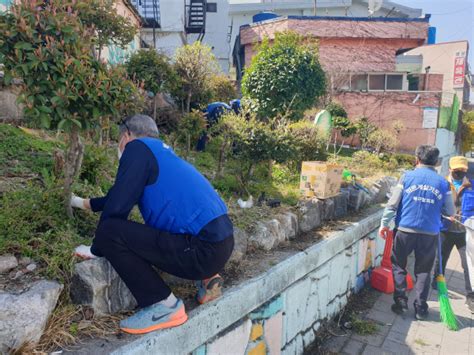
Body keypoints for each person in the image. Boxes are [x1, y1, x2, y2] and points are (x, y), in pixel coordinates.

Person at [71, 114, 234, 334]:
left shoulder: (136, 149)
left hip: (200, 251)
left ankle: (164, 306)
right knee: (163, 225)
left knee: (110, 231)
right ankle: (209, 280)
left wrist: (96, 249)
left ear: (126, 135)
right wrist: (79, 202)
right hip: (222, 244)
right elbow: (117, 196)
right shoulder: (161, 154)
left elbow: (117, 208)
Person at [379, 145, 455, 320]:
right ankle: (420, 309)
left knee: (399, 266)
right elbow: (450, 211)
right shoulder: (444, 183)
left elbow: (392, 205)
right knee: (423, 271)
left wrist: (384, 224)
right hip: (430, 234)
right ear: (436, 162)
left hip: (405, 230)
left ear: (417, 158)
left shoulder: (406, 177)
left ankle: (401, 303)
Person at [432, 156, 474, 312]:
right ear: (450, 169)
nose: (460, 173)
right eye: (457, 170)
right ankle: (436, 283)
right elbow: (435, 206)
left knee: (468, 264)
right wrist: (443, 215)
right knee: (440, 259)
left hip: (464, 232)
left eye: (463, 171)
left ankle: (471, 297)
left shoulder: (471, 186)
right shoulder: (442, 184)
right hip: (445, 229)